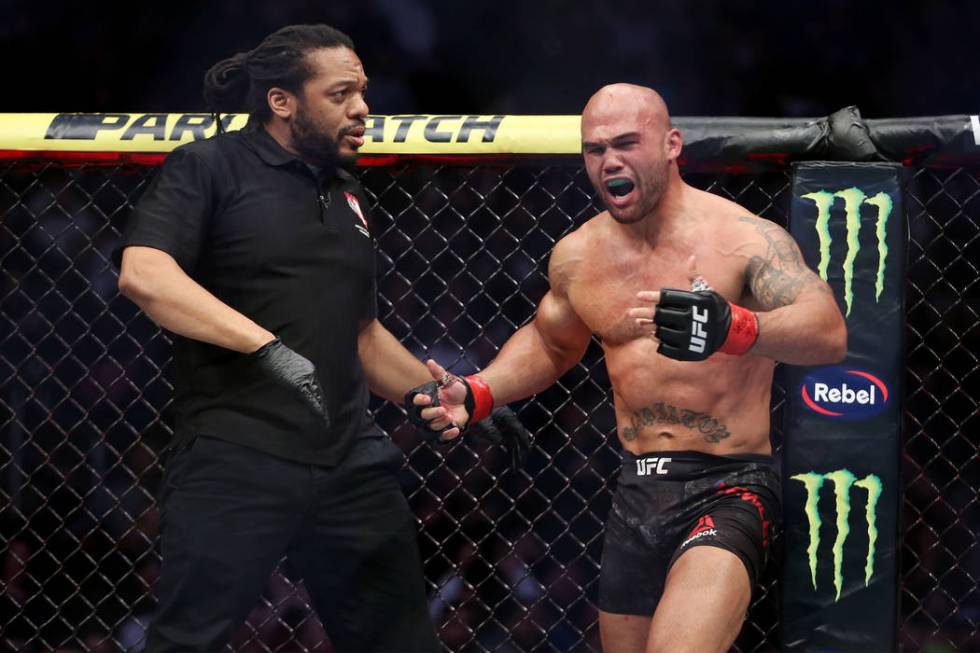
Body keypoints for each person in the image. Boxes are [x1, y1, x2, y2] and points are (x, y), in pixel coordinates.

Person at [115, 24, 525, 653]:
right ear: (283, 101)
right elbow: (144, 274)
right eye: (341, 94)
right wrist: (265, 346)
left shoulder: (347, 191)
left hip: (348, 460)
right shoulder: (210, 166)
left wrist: (453, 393)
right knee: (187, 642)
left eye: (363, 91)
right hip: (238, 451)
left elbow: (360, 333)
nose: (362, 108)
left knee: (400, 641)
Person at [408, 83, 847, 653]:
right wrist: (480, 391)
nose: (609, 160)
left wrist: (736, 328)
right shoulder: (579, 256)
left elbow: (829, 332)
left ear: (670, 145)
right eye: (594, 150)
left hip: (730, 483)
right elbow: (552, 342)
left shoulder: (742, 239)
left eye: (626, 144)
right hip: (637, 487)